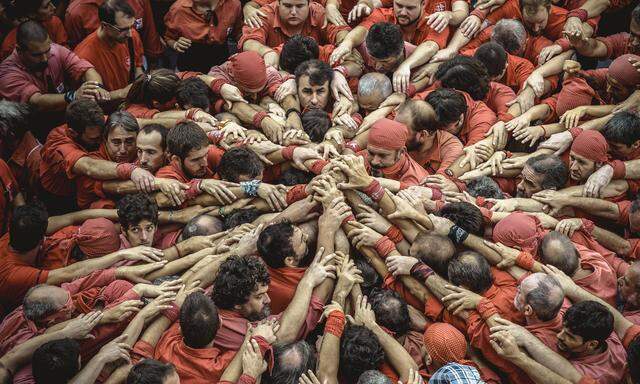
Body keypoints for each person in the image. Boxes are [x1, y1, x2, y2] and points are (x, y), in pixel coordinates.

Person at [0, 21, 107, 126]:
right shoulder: (7, 73)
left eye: (47, 51)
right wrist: (72, 96)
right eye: (37, 55)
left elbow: (85, 69)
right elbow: (37, 101)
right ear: (19, 50)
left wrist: (96, 88)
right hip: (31, 127)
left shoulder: (55, 50)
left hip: (65, 117)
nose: (45, 58)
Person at [73, 0, 145, 102]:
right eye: (122, 29)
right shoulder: (84, 54)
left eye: (131, 26)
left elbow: (137, 68)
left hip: (129, 104)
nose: (129, 34)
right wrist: (122, 93)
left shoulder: (131, 36)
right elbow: (91, 97)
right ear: (104, 25)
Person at [64, 0, 163, 61]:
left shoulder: (132, 33)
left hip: (136, 60)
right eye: (122, 29)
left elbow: (150, 37)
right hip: (100, 68)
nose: (129, 33)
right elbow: (77, 56)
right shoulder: (76, 12)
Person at [164, 0, 242, 73]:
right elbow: (169, 37)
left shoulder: (233, 4)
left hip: (221, 67)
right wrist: (175, 44)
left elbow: (239, 33)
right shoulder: (179, 9)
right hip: (188, 68)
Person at [0, 0, 68, 60]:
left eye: (51, 2)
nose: (53, 7)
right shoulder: (10, 45)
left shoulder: (54, 22)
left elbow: (66, 55)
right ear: (31, 14)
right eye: (46, 7)